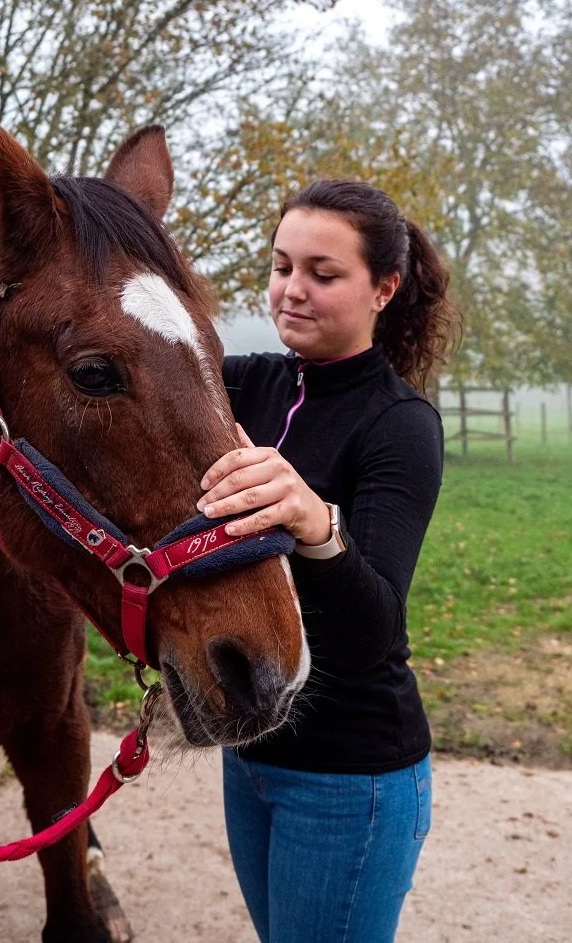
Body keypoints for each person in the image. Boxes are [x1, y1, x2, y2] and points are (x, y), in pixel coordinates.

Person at [196, 179, 458, 943]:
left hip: (351, 775)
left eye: (323, 273)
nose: (292, 291)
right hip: (251, 754)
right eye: (282, 267)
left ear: (385, 288)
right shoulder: (244, 385)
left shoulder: (400, 426)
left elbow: (371, 629)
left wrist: (315, 519)